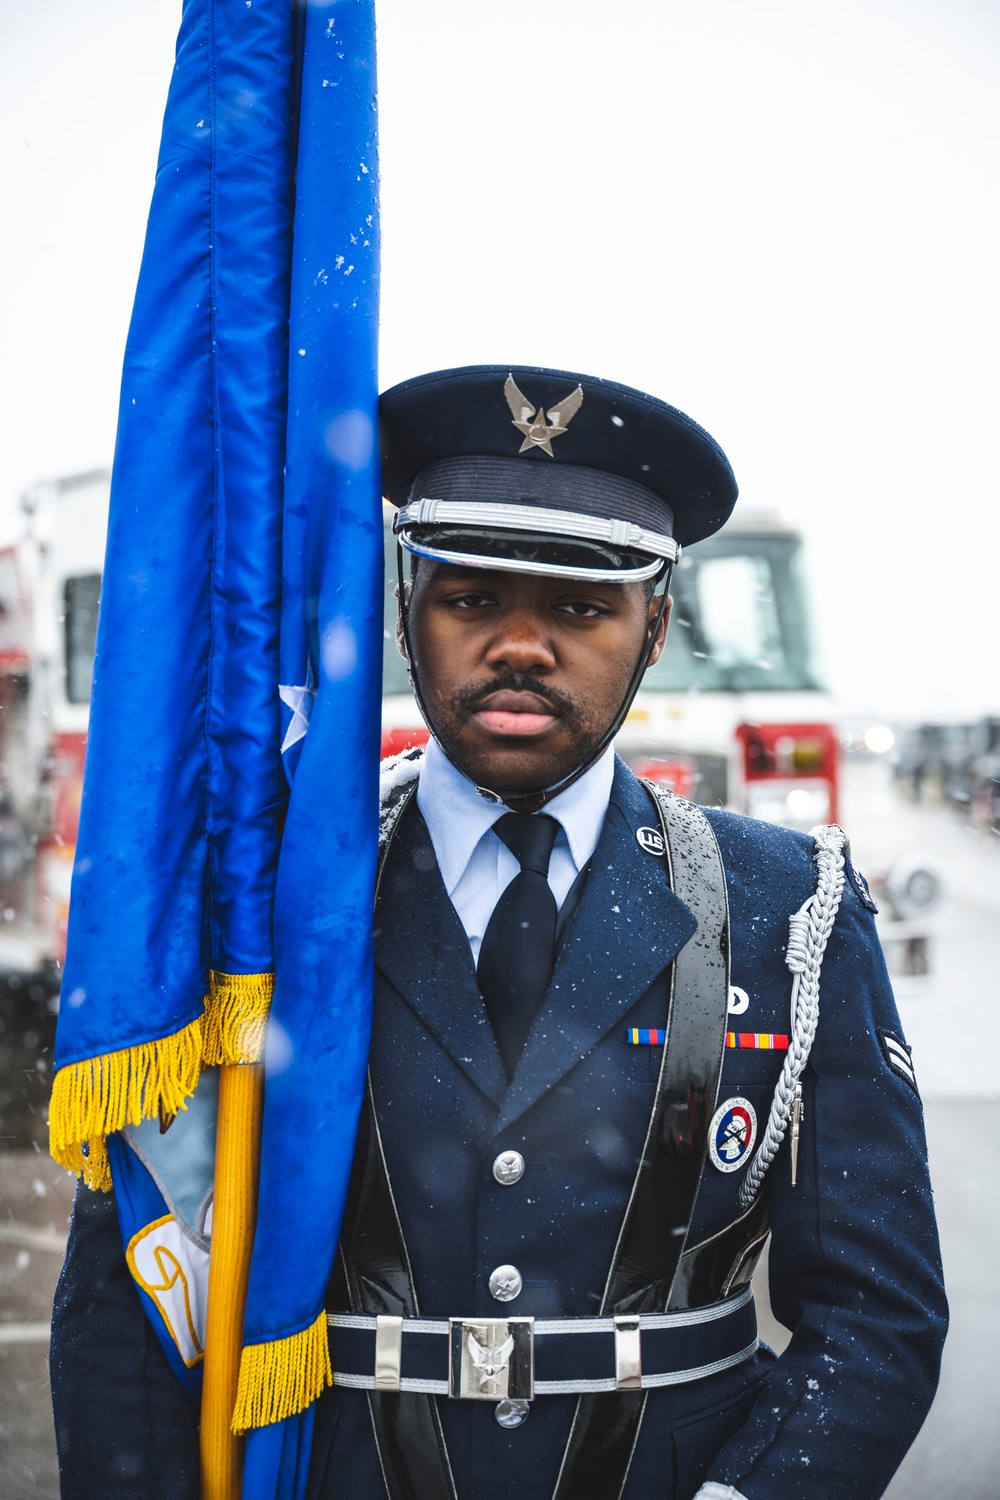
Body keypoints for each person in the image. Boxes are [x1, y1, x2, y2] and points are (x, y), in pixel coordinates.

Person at [51, 364, 947, 1500]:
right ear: (405, 605)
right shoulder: (260, 902)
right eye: (471, 597)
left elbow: (876, 1314)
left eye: (579, 606)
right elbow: (127, 1316)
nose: (520, 647)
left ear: (657, 623)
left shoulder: (789, 903)